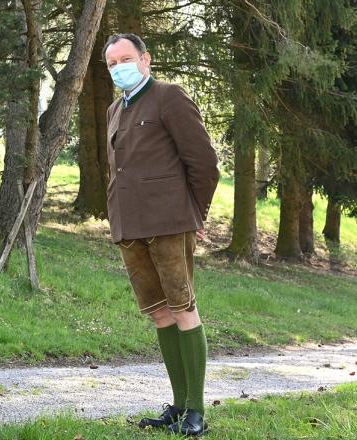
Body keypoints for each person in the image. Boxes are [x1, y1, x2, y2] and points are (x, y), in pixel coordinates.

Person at [103, 33, 220, 437]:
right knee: (158, 311)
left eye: (125, 58)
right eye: (111, 62)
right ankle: (178, 405)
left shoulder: (170, 97)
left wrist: (195, 216)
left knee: (183, 307)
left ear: (145, 60)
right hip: (129, 226)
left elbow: (204, 163)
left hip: (170, 223)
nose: (118, 66)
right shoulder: (114, 109)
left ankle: (197, 412)